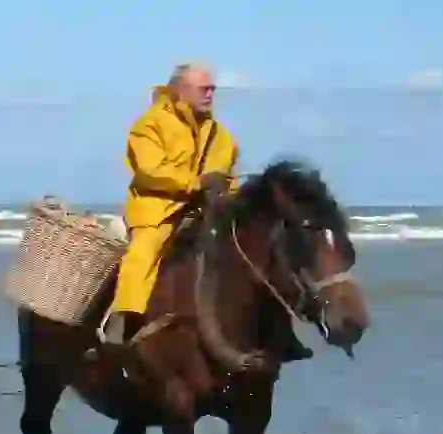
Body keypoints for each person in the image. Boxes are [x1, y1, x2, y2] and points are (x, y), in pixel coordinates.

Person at [102, 62, 313, 362]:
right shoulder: (149, 125)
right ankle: (124, 318)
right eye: (204, 88)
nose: (211, 94)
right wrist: (196, 182)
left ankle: (279, 330)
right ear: (180, 90)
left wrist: (234, 197)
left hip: (207, 209)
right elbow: (149, 171)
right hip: (159, 209)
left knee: (257, 253)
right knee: (144, 251)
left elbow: (227, 176)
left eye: (212, 88)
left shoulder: (220, 134)